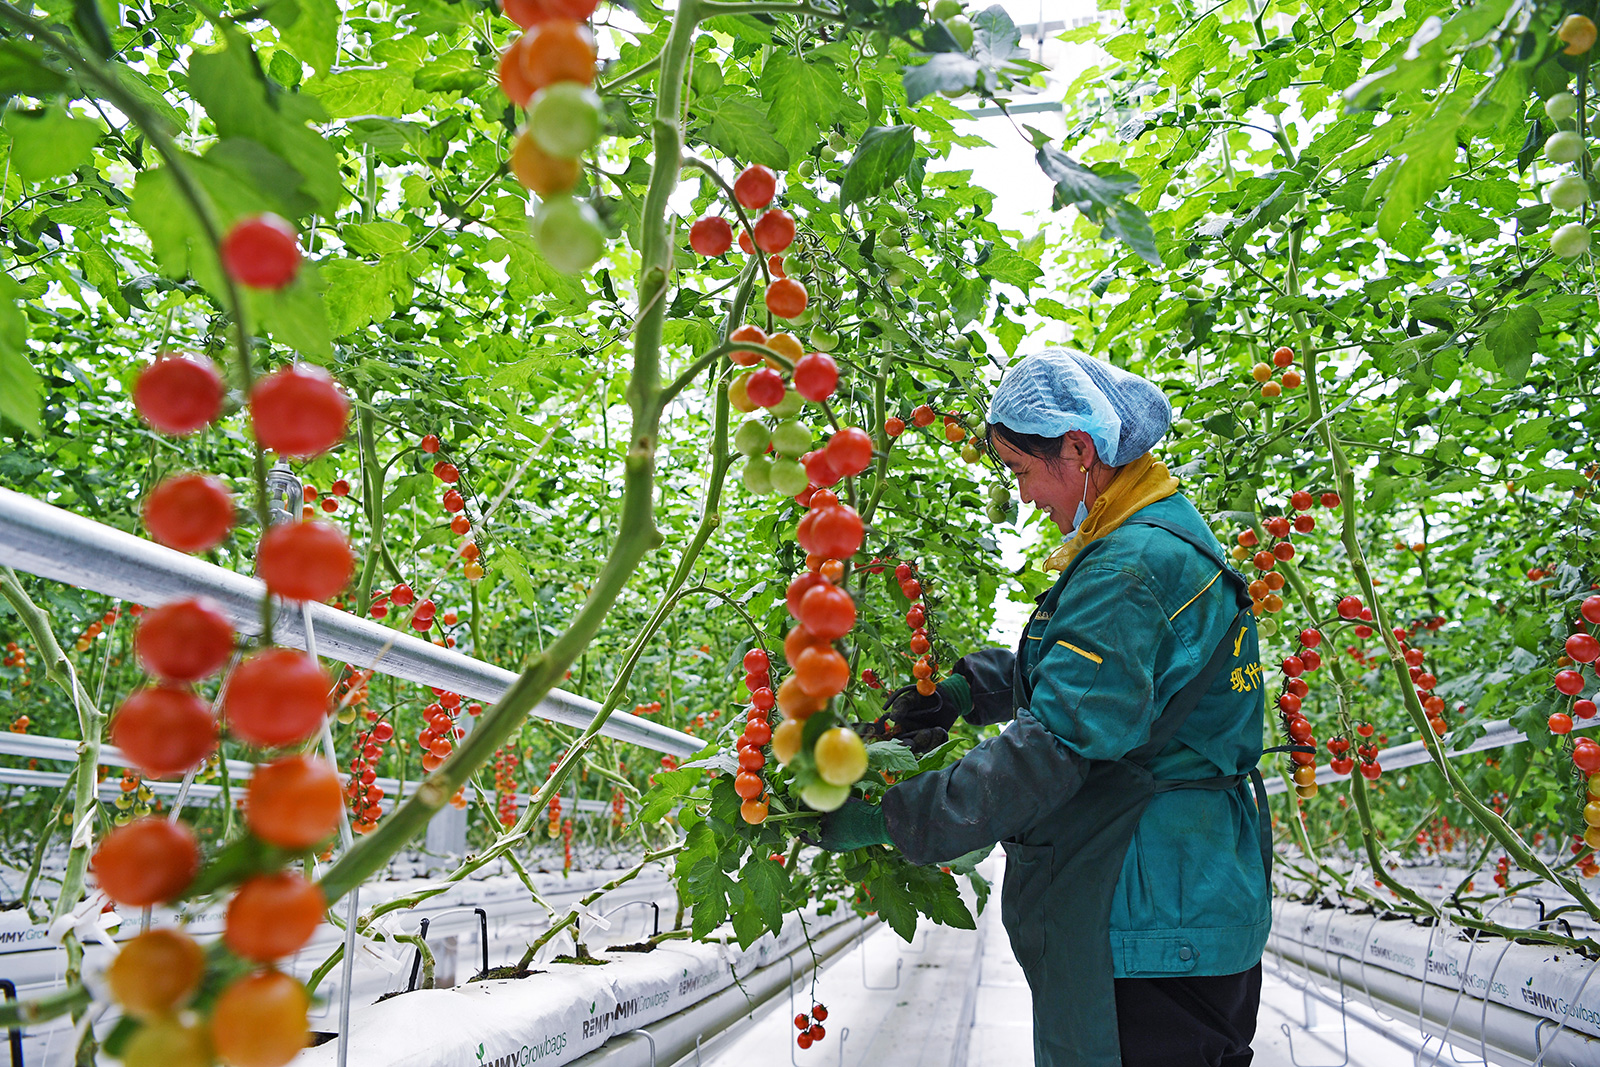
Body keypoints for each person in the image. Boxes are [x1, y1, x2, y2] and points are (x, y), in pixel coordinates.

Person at [816, 349, 1272, 1067]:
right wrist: (968, 691)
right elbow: (1113, 674)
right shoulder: (1154, 535)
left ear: (1079, 450)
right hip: (1188, 894)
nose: (1026, 496)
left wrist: (887, 815)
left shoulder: (1130, 566)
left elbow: (1050, 747)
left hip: (1146, 913)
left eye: (1024, 472)